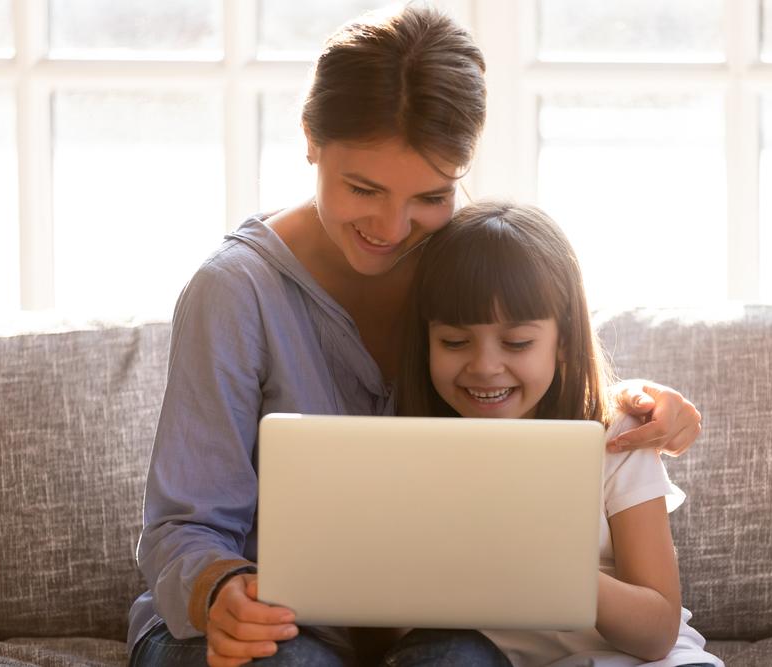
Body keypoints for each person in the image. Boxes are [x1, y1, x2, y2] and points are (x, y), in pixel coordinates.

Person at [128, 5, 703, 666]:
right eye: (363, 188)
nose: (393, 227)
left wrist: (629, 401)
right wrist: (219, 590)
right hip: (260, 625)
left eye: (430, 195)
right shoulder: (233, 293)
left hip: (428, 632)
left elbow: (528, 370)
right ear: (311, 139)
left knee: (458, 654)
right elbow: (182, 525)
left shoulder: (460, 260)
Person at [398, 201, 723, 667]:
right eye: (454, 341)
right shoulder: (404, 452)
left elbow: (656, 632)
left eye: (517, 343)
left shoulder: (616, 438)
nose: (485, 366)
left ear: (564, 341)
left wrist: (555, 570)